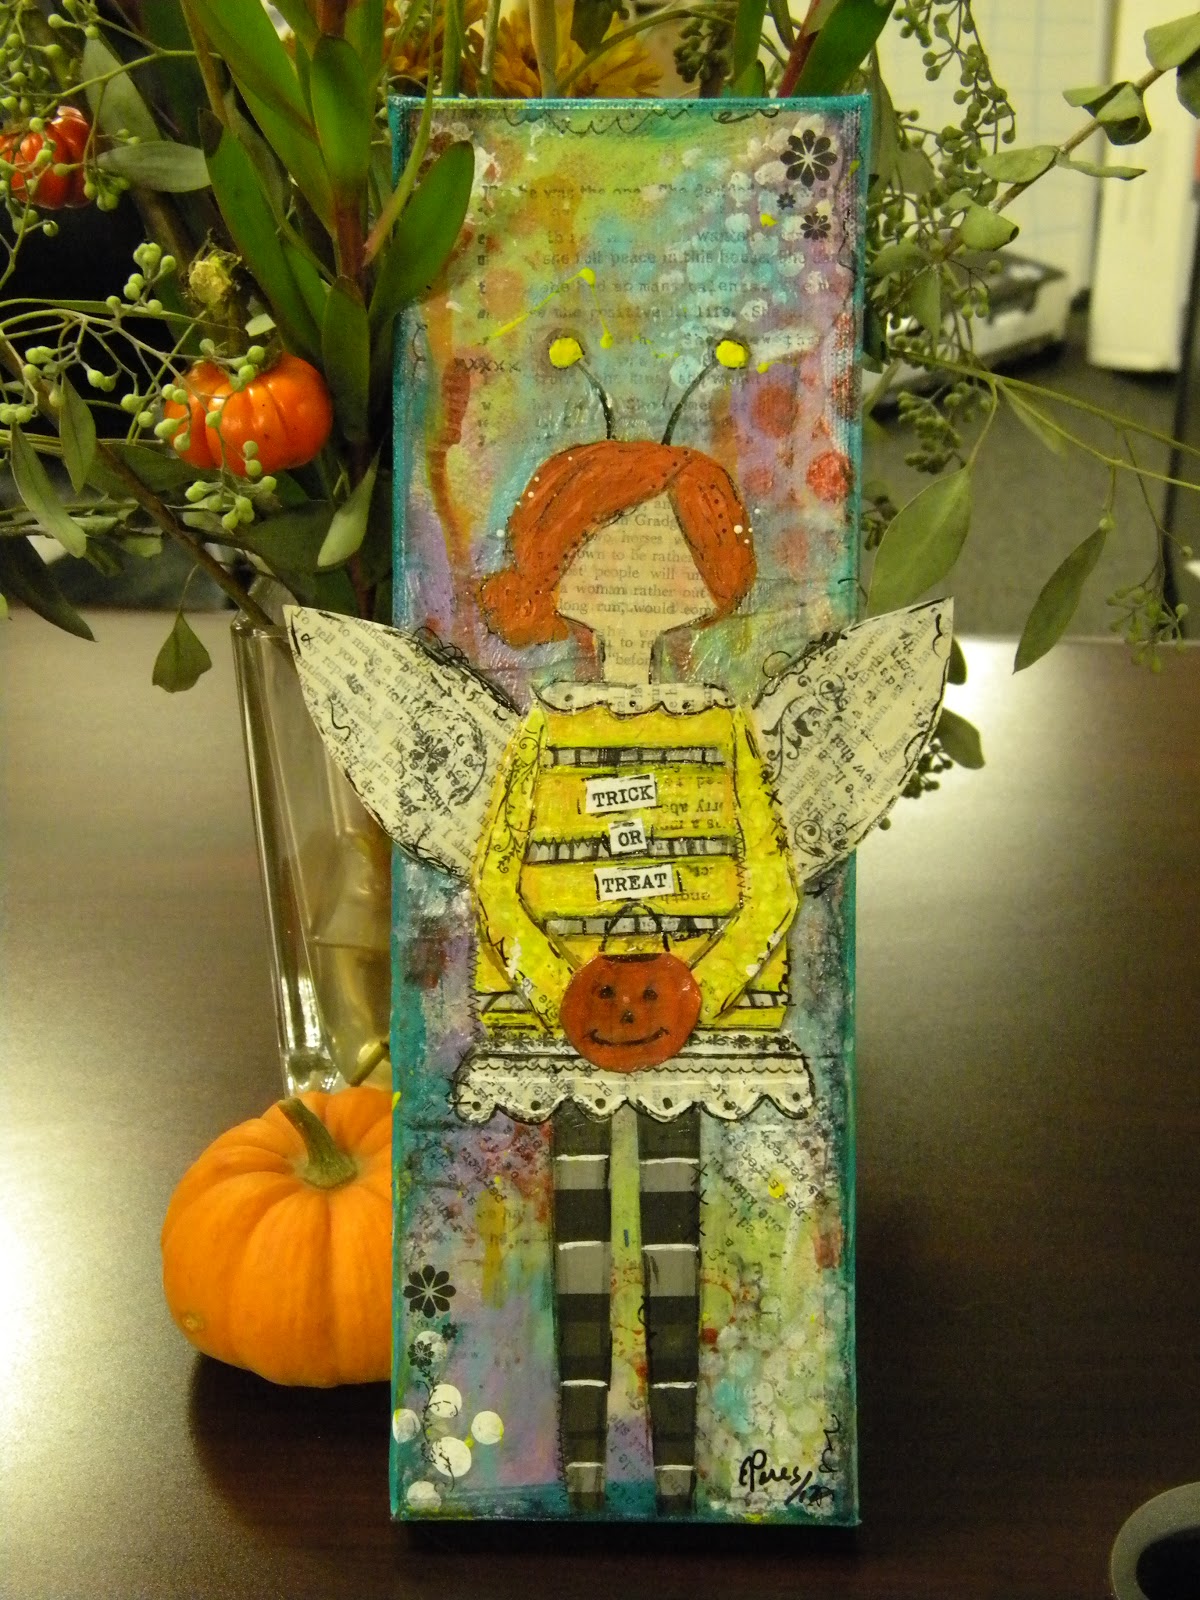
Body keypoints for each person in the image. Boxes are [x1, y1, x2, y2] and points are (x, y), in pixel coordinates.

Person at [461, 436, 809, 1514]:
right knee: (575, 1233)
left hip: (697, 1026)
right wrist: (555, 983)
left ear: (710, 576)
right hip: (560, 1026)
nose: (638, 572)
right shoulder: (542, 732)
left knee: (674, 1234)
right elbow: (498, 877)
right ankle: (573, 1463)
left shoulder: (722, 727)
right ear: (556, 566)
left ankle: (679, 1467)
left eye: (669, 552)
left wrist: (703, 985)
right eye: (606, 547)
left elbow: (770, 882)